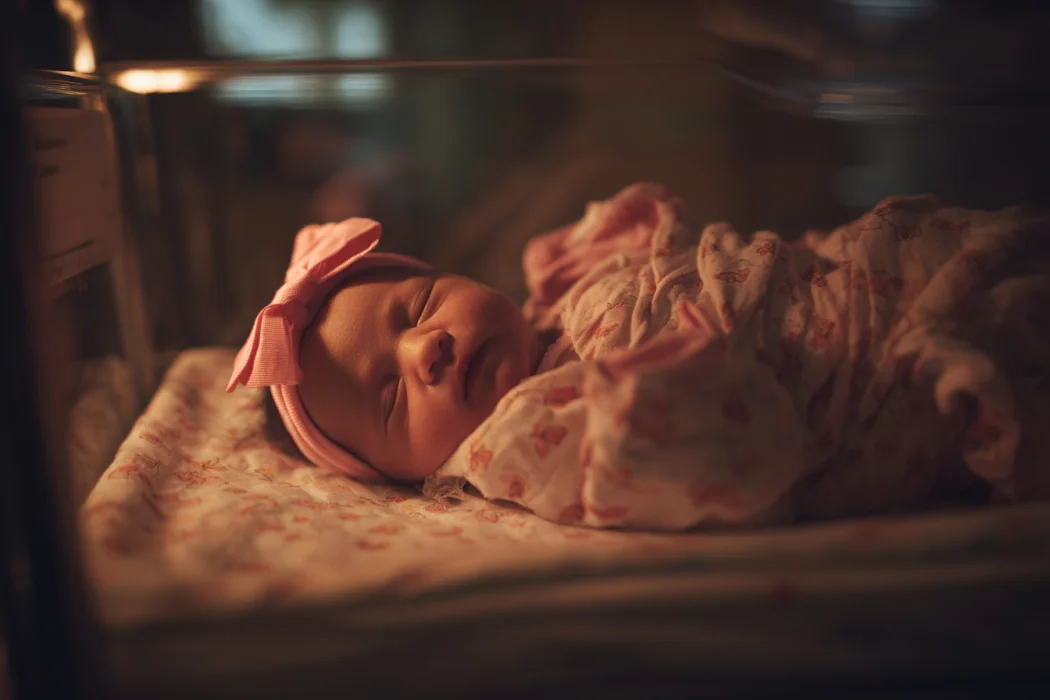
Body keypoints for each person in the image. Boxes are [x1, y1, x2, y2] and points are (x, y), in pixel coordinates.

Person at [229, 183, 1050, 530]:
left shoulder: (550, 305)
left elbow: (672, 241)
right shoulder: (527, 439)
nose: (426, 348)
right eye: (390, 400)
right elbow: (741, 465)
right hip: (889, 382)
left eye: (415, 308)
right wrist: (647, 412)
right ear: (411, 474)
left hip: (874, 266)